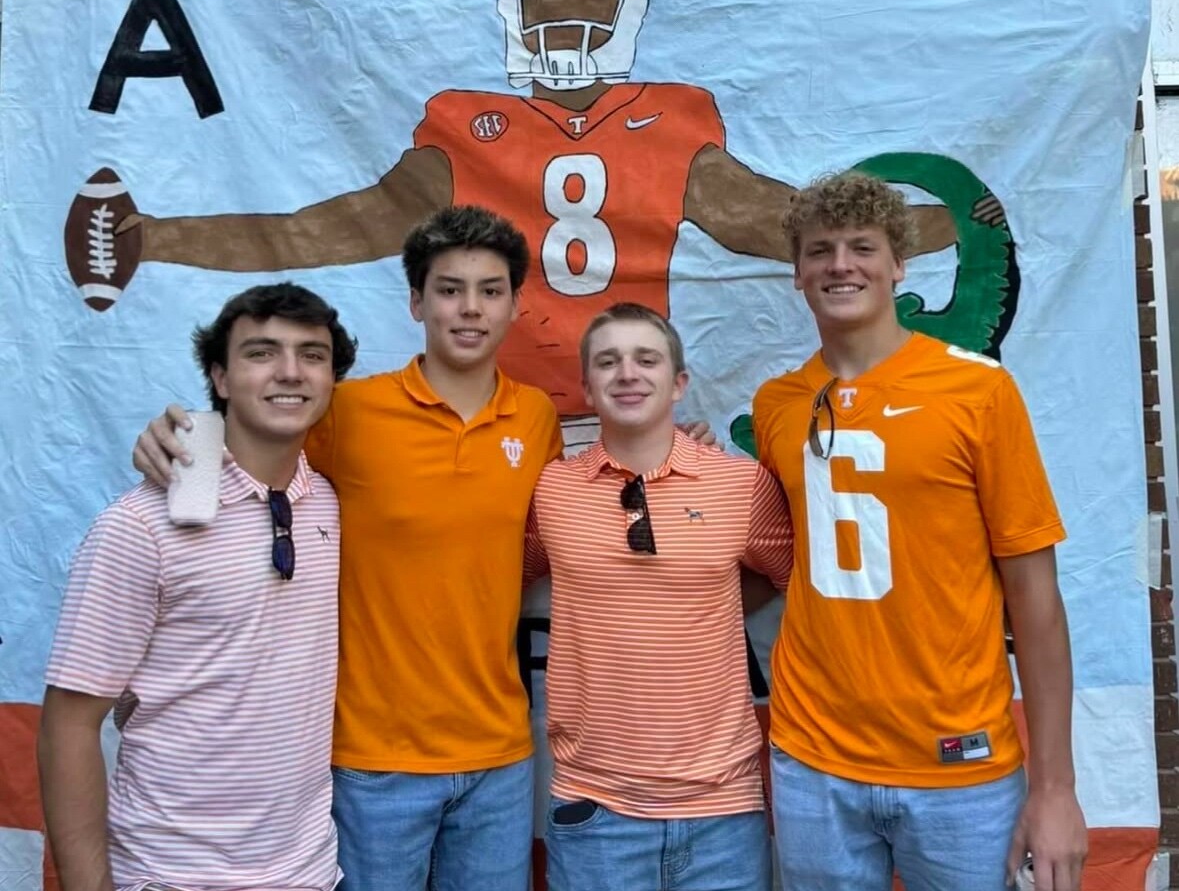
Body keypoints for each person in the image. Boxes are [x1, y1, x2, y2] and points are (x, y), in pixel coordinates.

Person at [69, 0, 1013, 422]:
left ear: (623, 20)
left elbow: (779, 226)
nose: (565, 35)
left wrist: (941, 226)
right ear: (515, 21)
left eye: (585, 14)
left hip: (618, 412)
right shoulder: (466, 127)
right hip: (490, 417)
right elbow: (332, 228)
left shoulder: (668, 122)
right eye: (549, 15)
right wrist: (155, 238)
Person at [133, 205, 565, 891]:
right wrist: (182, 434)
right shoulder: (348, 410)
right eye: (449, 289)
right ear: (417, 302)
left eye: (490, 290)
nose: (469, 308)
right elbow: (255, 442)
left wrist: (674, 447)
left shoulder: (536, 417)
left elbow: (560, 529)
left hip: (501, 757)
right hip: (372, 759)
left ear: (515, 304)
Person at [751, 172, 1087, 891]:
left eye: (862, 247)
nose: (840, 264)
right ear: (797, 272)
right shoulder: (777, 404)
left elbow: (1035, 597)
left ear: (899, 264)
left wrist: (1056, 788)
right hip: (812, 758)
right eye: (820, 250)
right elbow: (776, 555)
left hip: (958, 761)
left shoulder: (978, 391)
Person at [38, 282, 357, 891]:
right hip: (172, 875)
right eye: (261, 353)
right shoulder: (139, 526)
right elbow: (69, 725)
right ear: (220, 376)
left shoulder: (333, 502)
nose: (290, 372)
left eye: (312, 355)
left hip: (310, 873)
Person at [524, 303, 793, 891]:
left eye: (646, 360)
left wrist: (701, 606)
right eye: (608, 362)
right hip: (594, 808)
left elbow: (789, 577)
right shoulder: (551, 489)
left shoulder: (740, 483)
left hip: (724, 810)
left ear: (679, 384)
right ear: (586, 388)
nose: (627, 373)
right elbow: (495, 582)